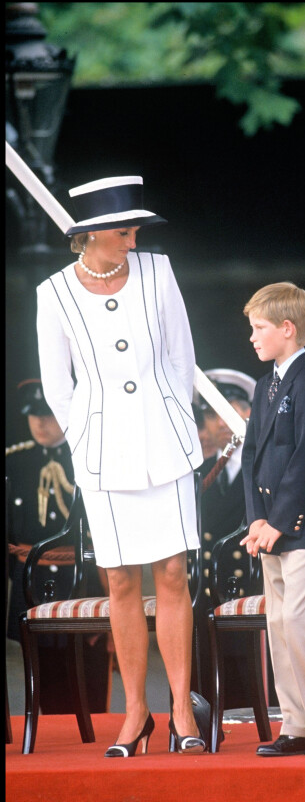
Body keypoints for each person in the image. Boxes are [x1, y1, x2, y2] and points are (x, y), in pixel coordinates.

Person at [36, 175, 208, 757]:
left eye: (136, 230)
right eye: (123, 231)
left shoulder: (160, 271)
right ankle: (136, 712)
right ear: (90, 234)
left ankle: (182, 709)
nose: (133, 241)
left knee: (174, 575)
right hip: (102, 457)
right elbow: (59, 388)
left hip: (168, 447)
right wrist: (89, 438)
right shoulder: (52, 293)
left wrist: (172, 421)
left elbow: (182, 357)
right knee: (118, 581)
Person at [240, 281, 305, 757]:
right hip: (273, 529)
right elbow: (251, 461)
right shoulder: (265, 386)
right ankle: (296, 724)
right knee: (279, 625)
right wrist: (256, 520)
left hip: (302, 527)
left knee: (301, 624)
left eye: (259, 327)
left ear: (288, 328)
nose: (252, 337)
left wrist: (279, 521)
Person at [6, 379, 111, 713]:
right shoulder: (14, 463)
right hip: (31, 581)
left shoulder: (92, 454)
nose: (39, 423)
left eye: (48, 415)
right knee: (39, 674)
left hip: (82, 579)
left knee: (86, 672)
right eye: (33, 415)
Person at [193, 368, 263, 707]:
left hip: (251, 581)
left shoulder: (264, 467)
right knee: (207, 667)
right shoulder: (198, 472)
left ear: (249, 412)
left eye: (230, 409)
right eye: (212, 413)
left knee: (253, 673)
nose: (221, 421)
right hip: (207, 586)